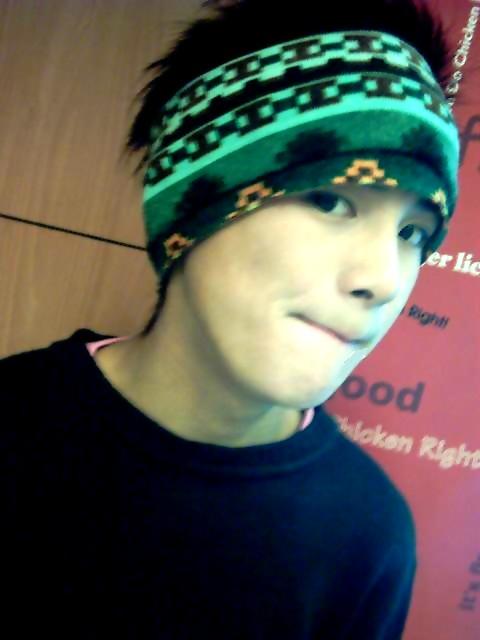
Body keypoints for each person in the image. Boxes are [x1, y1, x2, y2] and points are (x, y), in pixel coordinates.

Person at [2, 0, 461, 637]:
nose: (382, 280)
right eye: (330, 200)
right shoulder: (14, 426)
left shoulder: (364, 535)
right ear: (194, 204)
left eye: (413, 233)